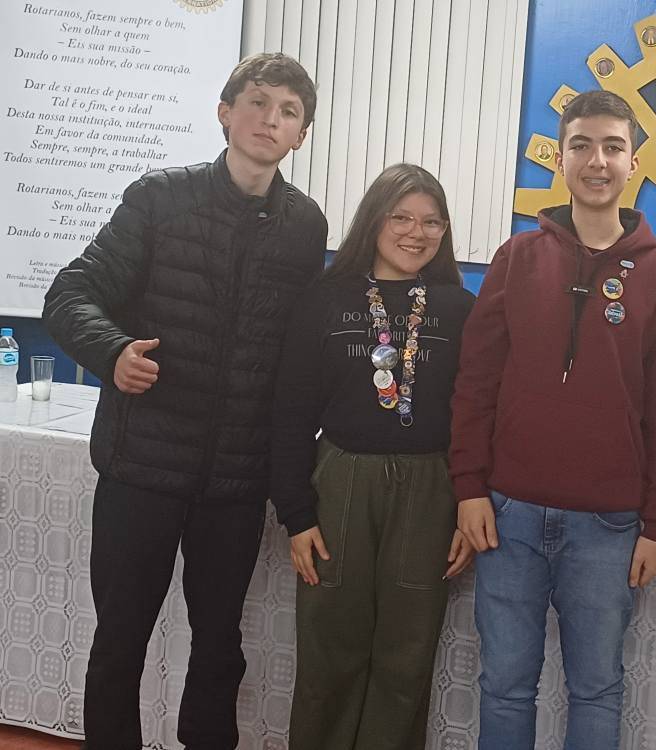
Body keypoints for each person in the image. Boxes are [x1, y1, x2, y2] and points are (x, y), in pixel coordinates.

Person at [42, 53, 327, 749]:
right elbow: (70, 294)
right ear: (225, 112)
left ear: (301, 135)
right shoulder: (160, 198)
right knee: (121, 640)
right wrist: (113, 352)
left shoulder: (305, 226)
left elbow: (297, 355)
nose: (270, 119)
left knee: (220, 645)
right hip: (140, 466)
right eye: (257, 102)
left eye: (288, 111)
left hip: (235, 481)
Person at [449, 90, 656, 749]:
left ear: (633, 161)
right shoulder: (517, 259)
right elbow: (475, 384)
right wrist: (469, 488)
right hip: (508, 517)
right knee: (505, 684)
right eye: (582, 145)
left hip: (610, 527)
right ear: (560, 159)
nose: (597, 161)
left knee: (596, 688)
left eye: (613, 147)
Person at [269, 163, 475, 749]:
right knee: (329, 647)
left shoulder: (461, 308)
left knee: (406, 654)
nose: (416, 232)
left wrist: (467, 504)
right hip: (342, 482)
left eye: (431, 222)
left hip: (430, 491)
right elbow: (290, 412)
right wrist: (297, 515)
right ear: (374, 221)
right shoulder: (324, 300)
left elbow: (474, 416)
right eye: (401, 217)